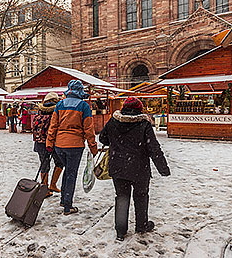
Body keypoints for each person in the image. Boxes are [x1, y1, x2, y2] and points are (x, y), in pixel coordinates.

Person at [99, 97, 170, 241]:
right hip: (139, 168)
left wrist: (116, 142)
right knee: (141, 196)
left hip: (118, 166)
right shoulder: (143, 124)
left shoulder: (114, 121)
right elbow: (153, 147)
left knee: (122, 197)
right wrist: (163, 168)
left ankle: (120, 231)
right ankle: (141, 225)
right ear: (140, 109)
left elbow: (102, 138)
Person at [46, 80, 98, 215]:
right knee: (71, 173)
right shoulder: (84, 106)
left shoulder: (59, 105)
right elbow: (88, 129)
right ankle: (68, 206)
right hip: (75, 146)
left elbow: (53, 126)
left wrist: (49, 143)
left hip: (59, 145)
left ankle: (64, 199)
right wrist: (93, 147)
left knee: (66, 171)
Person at [32, 92, 64, 198]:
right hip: (52, 143)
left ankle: (45, 188)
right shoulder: (55, 115)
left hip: (39, 143)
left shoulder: (38, 115)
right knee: (59, 163)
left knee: (44, 165)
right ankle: (52, 185)